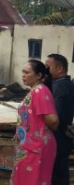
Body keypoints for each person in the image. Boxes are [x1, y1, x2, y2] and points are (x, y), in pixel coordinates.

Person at [11, 59, 59, 185]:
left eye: (27, 72)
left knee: (32, 180)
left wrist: (38, 134)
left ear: (39, 75)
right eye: (23, 72)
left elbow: (53, 120)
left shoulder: (40, 91)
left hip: (35, 147)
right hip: (29, 146)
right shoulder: (35, 91)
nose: (23, 75)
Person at [46, 53, 74, 185]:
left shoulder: (62, 87)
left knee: (57, 175)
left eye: (48, 67)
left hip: (59, 137)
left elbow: (55, 115)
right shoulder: (57, 85)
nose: (45, 71)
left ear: (59, 69)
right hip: (59, 136)